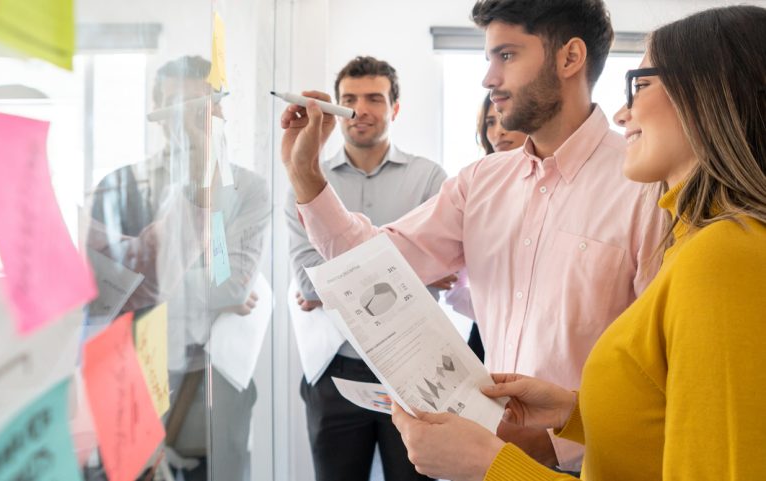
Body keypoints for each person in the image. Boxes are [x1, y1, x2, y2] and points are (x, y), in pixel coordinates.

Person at [279, 0, 666, 471]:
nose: (488, 79)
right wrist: (306, 176)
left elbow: (662, 373)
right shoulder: (480, 182)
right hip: (486, 460)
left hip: (600, 465)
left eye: (506, 56)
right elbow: (372, 265)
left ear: (570, 58)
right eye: (488, 59)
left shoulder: (644, 184)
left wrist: (553, 445)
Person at [391, 5, 766, 480]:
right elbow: (677, 420)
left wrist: (490, 466)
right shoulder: (697, 243)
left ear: (710, 97)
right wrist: (573, 413)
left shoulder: (725, 258)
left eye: (642, 84)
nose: (623, 110)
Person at [86, 55, 269, 481]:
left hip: (214, 378)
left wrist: (158, 282)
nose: (188, 119)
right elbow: (107, 293)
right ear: (155, 112)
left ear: (219, 109)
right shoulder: (119, 186)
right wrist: (205, 289)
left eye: (199, 105)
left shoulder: (246, 189)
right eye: (175, 106)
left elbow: (233, 287)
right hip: (133, 374)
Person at [286, 56, 450, 481]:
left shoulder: (430, 178)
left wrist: (336, 282)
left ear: (395, 108)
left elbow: (440, 268)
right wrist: (406, 271)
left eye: (375, 98)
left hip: (415, 372)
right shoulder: (303, 178)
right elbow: (308, 281)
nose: (360, 109)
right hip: (334, 370)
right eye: (349, 99)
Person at [447, 93, 529, 362]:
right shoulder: (473, 189)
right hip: (486, 334)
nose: (498, 132)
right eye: (490, 122)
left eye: (506, 120)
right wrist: (495, 313)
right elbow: (455, 289)